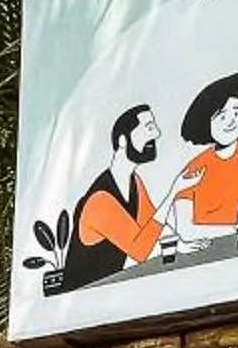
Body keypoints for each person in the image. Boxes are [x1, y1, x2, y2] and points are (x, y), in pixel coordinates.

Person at [64, 104, 167, 289]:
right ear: (122, 140)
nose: (157, 134)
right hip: (83, 301)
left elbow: (152, 225)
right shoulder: (99, 200)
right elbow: (141, 250)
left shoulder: (133, 182)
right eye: (148, 127)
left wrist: (179, 244)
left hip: (109, 291)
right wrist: (174, 191)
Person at [169, 71, 238, 231]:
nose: (231, 122)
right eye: (221, 116)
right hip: (202, 245)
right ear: (206, 122)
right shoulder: (194, 168)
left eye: (237, 112)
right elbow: (185, 228)